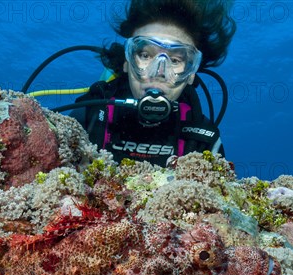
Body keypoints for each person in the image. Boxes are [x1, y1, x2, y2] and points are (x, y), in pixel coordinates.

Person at [71, 0, 236, 167]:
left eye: (175, 60)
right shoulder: (88, 116)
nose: (159, 72)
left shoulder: (203, 139)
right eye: (145, 55)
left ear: (191, 74)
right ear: (127, 62)